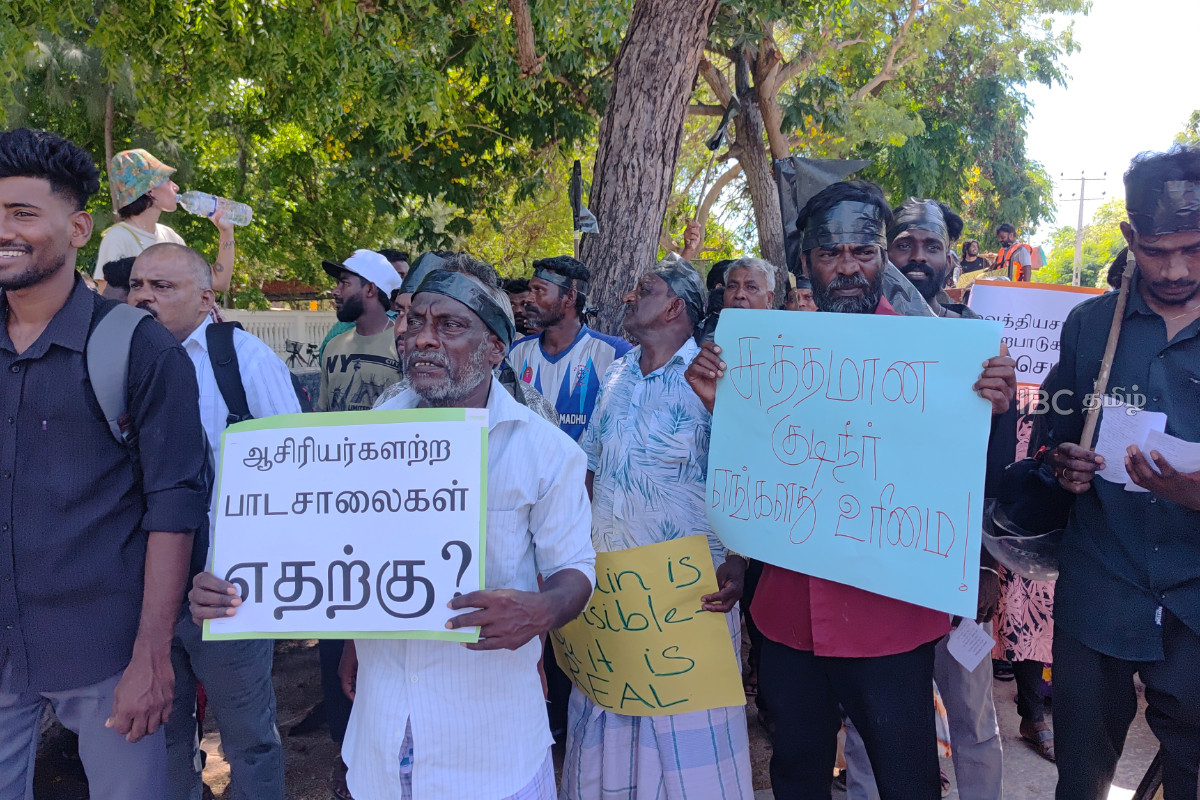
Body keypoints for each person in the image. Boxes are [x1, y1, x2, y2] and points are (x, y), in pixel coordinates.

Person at [194, 265, 597, 798]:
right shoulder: (369, 432)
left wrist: (543, 610)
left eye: (450, 325)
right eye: (417, 320)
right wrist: (233, 587)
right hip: (380, 741)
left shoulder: (545, 452)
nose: (423, 337)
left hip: (491, 747)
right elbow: (328, 543)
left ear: (496, 348)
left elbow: (576, 571)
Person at [685, 180, 1016, 800]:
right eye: (830, 254)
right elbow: (753, 465)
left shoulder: (944, 355)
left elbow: (978, 474)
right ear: (804, 260)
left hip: (891, 618)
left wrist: (996, 410)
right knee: (796, 772)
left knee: (907, 777)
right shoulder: (766, 352)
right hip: (788, 614)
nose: (847, 269)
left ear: (882, 255)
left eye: (862, 252)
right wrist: (719, 406)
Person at [0, 128, 210, 799]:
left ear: (80, 226)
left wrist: (153, 655)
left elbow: (174, 504)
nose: (4, 230)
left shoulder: (138, 350)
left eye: (23, 213)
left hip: (107, 657)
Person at [562, 257, 754, 800]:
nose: (628, 296)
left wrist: (738, 561)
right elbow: (590, 467)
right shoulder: (617, 375)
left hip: (689, 602)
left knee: (687, 755)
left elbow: (745, 475)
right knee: (610, 735)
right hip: (616, 603)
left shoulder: (714, 379)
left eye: (644, 289)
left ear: (674, 307)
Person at [837, 197, 1008, 800]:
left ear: (950, 258)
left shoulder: (979, 343)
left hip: (954, 568)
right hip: (877, 567)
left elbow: (996, 465)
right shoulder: (849, 335)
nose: (916, 258)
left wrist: (987, 564)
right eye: (904, 244)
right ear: (887, 253)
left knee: (971, 712)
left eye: (929, 246)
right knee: (870, 718)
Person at [1042, 146, 1200, 799]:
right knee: (1080, 777)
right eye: (1158, 249)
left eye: (1194, 248)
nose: (1176, 268)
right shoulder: (1089, 328)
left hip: (1195, 598)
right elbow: (1050, 438)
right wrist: (1062, 466)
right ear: (1130, 236)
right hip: (1099, 590)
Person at [126, 242, 296, 800]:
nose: (144, 296)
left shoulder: (244, 360)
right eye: (137, 285)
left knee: (247, 739)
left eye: (162, 286)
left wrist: (241, 569)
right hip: (140, 592)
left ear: (205, 298)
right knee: (161, 739)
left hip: (228, 592)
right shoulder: (115, 360)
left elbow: (290, 468)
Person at [508, 255, 631, 441]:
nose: (528, 299)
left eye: (539, 290)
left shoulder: (614, 352)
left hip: (585, 469)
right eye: (530, 290)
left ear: (570, 297)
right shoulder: (516, 352)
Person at [94, 148, 235, 294]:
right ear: (149, 190)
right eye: (167, 180)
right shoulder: (118, 237)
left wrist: (226, 232)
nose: (176, 186)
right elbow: (108, 300)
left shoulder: (169, 236)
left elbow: (220, 282)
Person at [319, 249, 404, 412]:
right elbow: (324, 412)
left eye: (345, 283)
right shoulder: (333, 347)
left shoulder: (403, 347)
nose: (335, 291)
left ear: (370, 290)